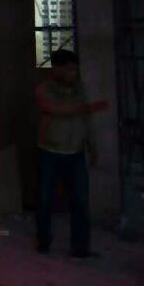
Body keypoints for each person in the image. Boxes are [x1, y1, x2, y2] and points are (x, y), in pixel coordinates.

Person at [34, 49, 109, 257]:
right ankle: (43, 241)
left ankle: (80, 247)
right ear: (56, 69)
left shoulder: (80, 89)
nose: (72, 74)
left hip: (75, 153)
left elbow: (87, 121)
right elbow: (56, 109)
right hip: (49, 152)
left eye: (75, 69)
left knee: (81, 201)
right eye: (68, 69)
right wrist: (90, 107)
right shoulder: (44, 89)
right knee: (45, 199)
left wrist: (92, 146)